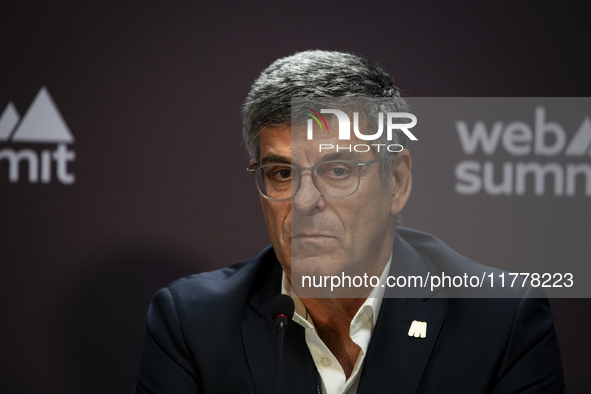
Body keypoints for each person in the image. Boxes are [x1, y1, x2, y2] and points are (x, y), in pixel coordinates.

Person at [134, 50, 566, 393]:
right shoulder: (194, 323)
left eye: (337, 171)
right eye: (282, 174)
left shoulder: (500, 322)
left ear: (395, 182)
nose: (304, 202)